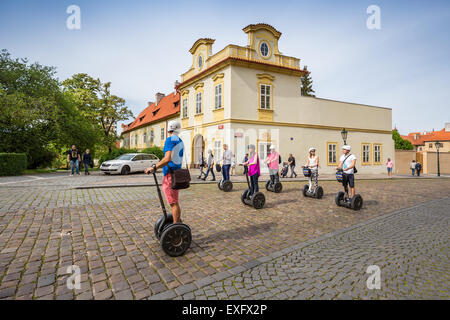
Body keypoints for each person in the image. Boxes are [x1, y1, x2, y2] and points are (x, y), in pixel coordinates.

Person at [145, 120, 184, 223]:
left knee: (173, 203)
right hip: (176, 174)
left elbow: (168, 158)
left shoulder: (169, 140)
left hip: (170, 176)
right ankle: (178, 223)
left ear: (168, 130)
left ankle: (176, 228)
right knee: (174, 201)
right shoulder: (179, 140)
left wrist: (154, 167)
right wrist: (159, 163)